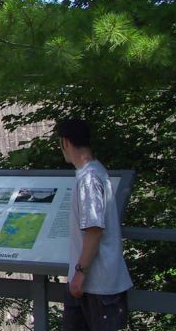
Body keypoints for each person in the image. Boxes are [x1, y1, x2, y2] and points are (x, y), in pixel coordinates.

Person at [57, 119, 133, 331]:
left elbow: (94, 230)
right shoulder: (94, 172)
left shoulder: (89, 178)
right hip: (91, 284)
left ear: (65, 142)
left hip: (97, 285)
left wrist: (80, 272)